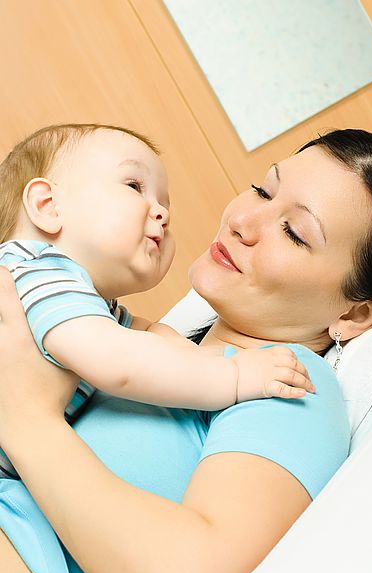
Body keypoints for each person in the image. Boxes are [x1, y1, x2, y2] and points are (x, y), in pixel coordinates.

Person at [0, 128, 372, 573]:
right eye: (263, 190)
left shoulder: (287, 381)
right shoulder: (152, 346)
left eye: (294, 232)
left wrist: (28, 421)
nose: (244, 221)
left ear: (354, 313)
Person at [0, 124, 314, 478]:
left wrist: (177, 342)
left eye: (165, 204)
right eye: (135, 187)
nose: (163, 214)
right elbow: (118, 361)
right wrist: (234, 376)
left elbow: (140, 335)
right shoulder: (34, 273)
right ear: (46, 205)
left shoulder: (80, 301)